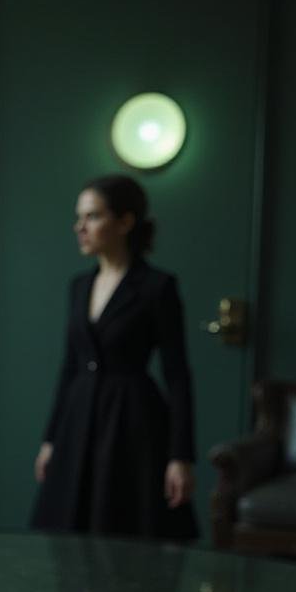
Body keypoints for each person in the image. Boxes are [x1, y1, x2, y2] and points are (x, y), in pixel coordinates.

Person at [30, 175, 198, 540]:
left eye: (92, 217)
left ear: (125, 222)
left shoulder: (157, 287)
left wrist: (180, 456)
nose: (80, 227)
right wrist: (50, 439)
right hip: (77, 419)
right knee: (69, 533)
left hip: (132, 424)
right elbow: (70, 366)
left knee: (124, 533)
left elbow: (178, 374)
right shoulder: (79, 286)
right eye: (79, 218)